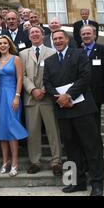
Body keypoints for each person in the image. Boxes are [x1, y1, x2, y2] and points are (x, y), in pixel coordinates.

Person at [43, 30, 104, 196]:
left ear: (67, 39)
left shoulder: (79, 54)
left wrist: (69, 95)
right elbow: (47, 83)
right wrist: (60, 99)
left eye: (60, 38)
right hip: (63, 111)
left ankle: (97, 184)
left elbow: (85, 77)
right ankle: (76, 182)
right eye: (54, 39)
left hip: (82, 109)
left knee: (92, 147)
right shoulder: (49, 61)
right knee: (71, 149)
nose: (57, 41)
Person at [19, 26, 62, 176]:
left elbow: (54, 74)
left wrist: (44, 89)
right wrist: (33, 89)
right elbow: (22, 76)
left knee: (53, 131)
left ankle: (56, 161)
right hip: (31, 98)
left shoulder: (51, 52)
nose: (35, 34)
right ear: (29, 37)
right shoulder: (23, 54)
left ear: (43, 35)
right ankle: (35, 161)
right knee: (33, 132)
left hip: (48, 98)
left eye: (37, 32)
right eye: (32, 33)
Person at [0, 35, 28, 177]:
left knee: (12, 129)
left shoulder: (16, 59)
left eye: (5, 43)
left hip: (12, 95)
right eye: (0, 43)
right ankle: (5, 162)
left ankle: (15, 163)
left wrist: (17, 96)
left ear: (9, 44)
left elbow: (20, 78)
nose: (2, 45)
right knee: (1, 129)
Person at [81, 25, 104, 131]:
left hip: (96, 93)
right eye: (83, 34)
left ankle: (97, 147)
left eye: (88, 33)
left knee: (95, 125)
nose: (86, 36)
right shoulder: (78, 51)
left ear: (94, 35)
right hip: (80, 94)